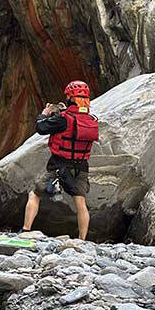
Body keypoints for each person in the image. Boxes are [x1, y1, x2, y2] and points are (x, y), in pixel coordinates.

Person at [22, 80, 99, 240]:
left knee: (34, 194)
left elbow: (41, 128)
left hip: (59, 166)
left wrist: (45, 113)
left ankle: (25, 231)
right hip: (81, 166)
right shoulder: (90, 119)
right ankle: (82, 240)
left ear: (70, 97)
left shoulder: (63, 119)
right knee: (80, 203)